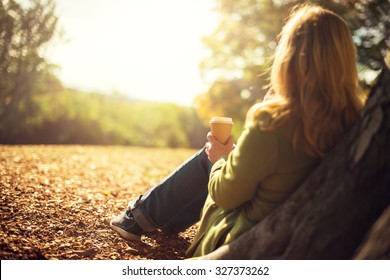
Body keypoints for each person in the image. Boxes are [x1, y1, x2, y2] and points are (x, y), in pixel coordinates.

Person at [110, 4, 363, 258]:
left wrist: (220, 158)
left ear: (291, 55)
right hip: (299, 232)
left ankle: (136, 220)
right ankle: (166, 221)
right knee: (222, 158)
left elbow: (226, 195)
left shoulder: (274, 121)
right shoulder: (357, 120)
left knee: (207, 159)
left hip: (244, 237)